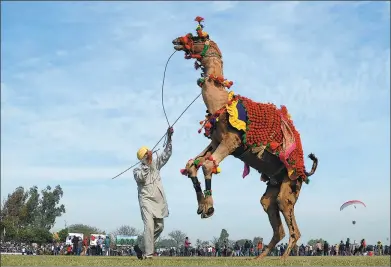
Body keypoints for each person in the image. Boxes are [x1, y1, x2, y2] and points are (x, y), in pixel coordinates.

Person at [133, 127, 174, 260]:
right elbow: (141, 178)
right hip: (146, 201)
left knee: (160, 227)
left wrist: (169, 137)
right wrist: (146, 164)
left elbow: (166, 154)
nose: (149, 155)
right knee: (149, 226)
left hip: (158, 200)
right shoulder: (137, 170)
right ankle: (148, 254)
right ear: (143, 158)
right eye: (146, 155)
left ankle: (141, 246)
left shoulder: (156, 164)